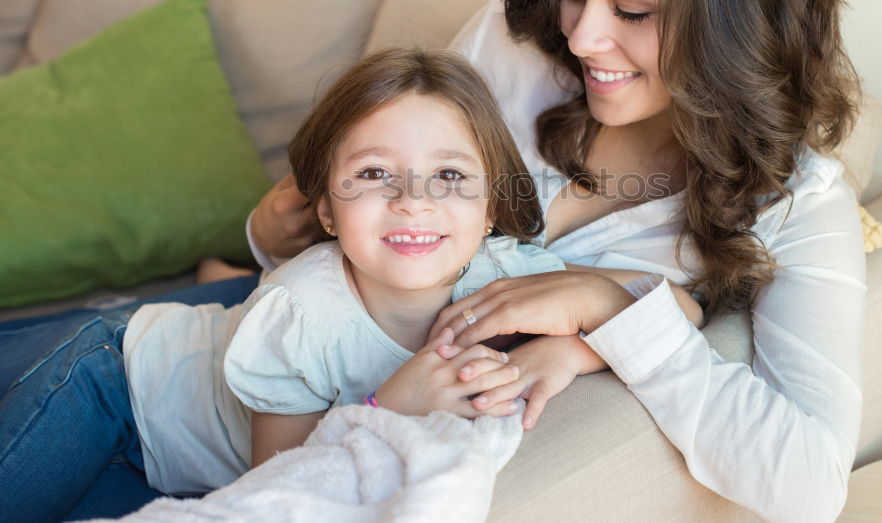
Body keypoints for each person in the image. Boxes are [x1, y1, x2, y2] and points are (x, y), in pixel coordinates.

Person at [249, 0, 866, 521]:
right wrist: (262, 235)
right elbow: (350, 236)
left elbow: (812, 485)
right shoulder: (517, 43)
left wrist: (603, 313)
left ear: (732, 23)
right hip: (250, 354)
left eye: (632, 10)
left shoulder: (798, 203)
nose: (581, 35)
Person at [0, 47, 704, 523]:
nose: (413, 200)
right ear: (328, 209)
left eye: (450, 177)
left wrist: (574, 347)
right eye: (374, 174)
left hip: (175, 471)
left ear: (491, 208)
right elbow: (278, 485)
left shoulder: (503, 274)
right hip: (111, 387)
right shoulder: (302, 308)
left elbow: (679, 303)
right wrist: (385, 406)